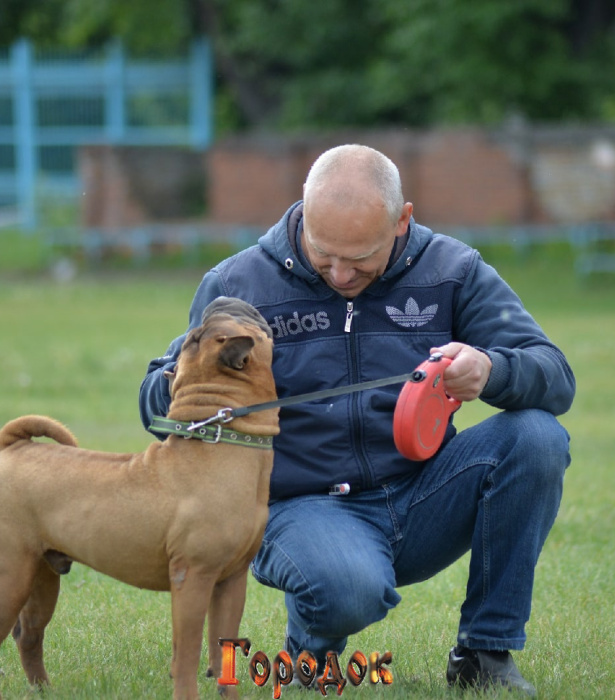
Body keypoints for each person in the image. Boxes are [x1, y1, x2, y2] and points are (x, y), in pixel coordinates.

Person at [139, 144, 574, 696]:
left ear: (402, 221)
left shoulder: (453, 271)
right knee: (349, 590)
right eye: (324, 254)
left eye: (361, 258)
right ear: (303, 209)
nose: (341, 274)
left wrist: (492, 369)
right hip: (301, 507)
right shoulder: (239, 285)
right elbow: (154, 404)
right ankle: (312, 651)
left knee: (536, 436)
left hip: (424, 494)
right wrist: (188, 388)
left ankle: (484, 654)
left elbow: (555, 376)